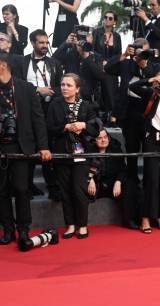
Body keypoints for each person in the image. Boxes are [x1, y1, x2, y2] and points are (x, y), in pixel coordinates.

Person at [0, 53, 51, 246]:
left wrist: (44, 146)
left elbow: (38, 119)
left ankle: (23, 229)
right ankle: (8, 229)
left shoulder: (25, 88)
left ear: (3, 66)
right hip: (1, 146)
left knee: (22, 189)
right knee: (1, 191)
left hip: (22, 146)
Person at [46, 73, 99, 239]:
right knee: (65, 191)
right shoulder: (55, 105)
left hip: (82, 153)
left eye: (69, 85)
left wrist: (83, 125)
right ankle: (70, 224)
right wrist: (66, 127)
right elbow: (49, 128)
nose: (64, 88)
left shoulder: (86, 106)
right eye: (62, 84)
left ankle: (82, 225)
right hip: (62, 152)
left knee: (78, 190)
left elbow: (96, 128)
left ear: (77, 89)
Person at [104, 38, 160, 181]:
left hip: (149, 114)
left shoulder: (156, 67)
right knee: (131, 149)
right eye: (137, 50)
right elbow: (108, 69)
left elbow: (157, 81)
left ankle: (149, 181)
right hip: (129, 112)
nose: (140, 54)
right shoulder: (126, 64)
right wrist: (124, 55)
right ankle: (132, 180)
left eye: (143, 51)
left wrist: (143, 65)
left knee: (149, 151)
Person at [129, 70, 160, 233]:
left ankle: (159, 215)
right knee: (151, 179)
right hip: (152, 140)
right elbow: (133, 86)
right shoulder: (149, 95)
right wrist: (152, 80)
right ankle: (145, 217)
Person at [23, 29, 63, 202]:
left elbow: (60, 86)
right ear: (32, 43)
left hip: (50, 109)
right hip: (29, 109)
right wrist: (38, 89)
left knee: (49, 147)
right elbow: (17, 83)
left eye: (47, 43)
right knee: (31, 147)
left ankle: (53, 187)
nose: (45, 46)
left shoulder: (54, 63)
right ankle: (28, 185)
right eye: (41, 43)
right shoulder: (22, 62)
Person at [87, 129, 141, 230]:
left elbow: (123, 170)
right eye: (99, 138)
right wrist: (90, 179)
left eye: (105, 137)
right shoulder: (89, 150)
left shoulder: (115, 149)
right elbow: (82, 169)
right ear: (94, 140)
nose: (103, 140)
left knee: (130, 185)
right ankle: (80, 224)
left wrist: (118, 181)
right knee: (78, 186)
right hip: (95, 186)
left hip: (112, 186)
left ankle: (129, 219)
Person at [135, 0, 160, 66]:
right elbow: (141, 37)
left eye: (153, 5)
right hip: (146, 59)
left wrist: (145, 18)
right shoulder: (147, 21)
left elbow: (159, 33)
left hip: (159, 60)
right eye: (150, 5)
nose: (151, 7)